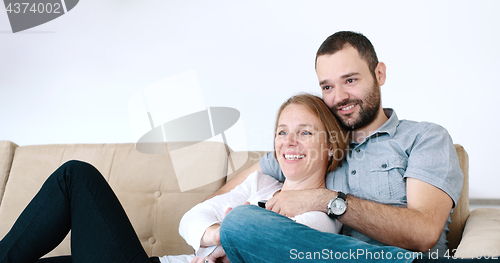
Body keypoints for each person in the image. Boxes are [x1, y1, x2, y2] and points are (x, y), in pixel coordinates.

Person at [211, 31, 476, 262]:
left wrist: (325, 200)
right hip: (315, 257)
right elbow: (221, 200)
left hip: (403, 259)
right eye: (327, 86)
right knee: (240, 222)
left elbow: (423, 233)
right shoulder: (312, 144)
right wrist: (226, 243)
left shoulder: (425, 137)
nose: (339, 97)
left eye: (350, 80)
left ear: (379, 74)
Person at [0, 93, 348, 263]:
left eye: (304, 133)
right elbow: (190, 219)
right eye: (282, 132)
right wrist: (219, 232)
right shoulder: (262, 185)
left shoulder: (321, 218)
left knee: (75, 177)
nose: (288, 143)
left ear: (330, 147)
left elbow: (270, 249)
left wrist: (234, 234)